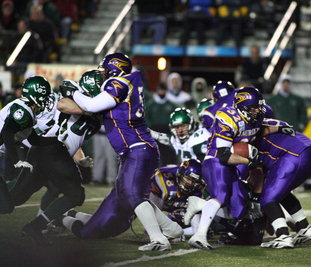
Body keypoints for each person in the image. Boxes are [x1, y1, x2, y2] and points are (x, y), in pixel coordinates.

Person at [57, 52, 183, 251]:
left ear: (114, 68)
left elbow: (89, 105)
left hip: (137, 150)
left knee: (133, 195)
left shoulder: (119, 83)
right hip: (139, 149)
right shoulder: (129, 84)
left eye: (106, 69)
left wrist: (72, 91)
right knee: (125, 198)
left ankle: (159, 238)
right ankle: (172, 229)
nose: (104, 74)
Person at [1, 72, 101, 244]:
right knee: (75, 194)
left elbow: (72, 136)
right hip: (50, 152)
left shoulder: (98, 106)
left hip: (49, 149)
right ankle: (38, 226)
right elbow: (63, 104)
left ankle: (39, 226)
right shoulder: (76, 95)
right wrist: (89, 109)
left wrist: (80, 157)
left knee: (15, 199)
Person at [188, 87, 266, 249]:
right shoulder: (227, 117)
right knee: (221, 194)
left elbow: (267, 126)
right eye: (253, 108)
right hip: (216, 159)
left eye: (258, 107)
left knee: (238, 209)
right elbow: (224, 155)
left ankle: (201, 205)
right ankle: (199, 235)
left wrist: (281, 128)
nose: (257, 111)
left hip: (235, 164)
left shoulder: (257, 118)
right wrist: (249, 161)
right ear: (243, 108)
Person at [256, 125, 311, 248]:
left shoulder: (251, 129)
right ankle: (304, 228)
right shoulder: (272, 124)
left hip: (293, 155)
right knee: (281, 192)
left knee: (268, 197)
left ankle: (283, 236)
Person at [0, 76, 52, 215]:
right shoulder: (22, 111)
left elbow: (35, 140)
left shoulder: (28, 111)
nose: (46, 100)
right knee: (5, 205)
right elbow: (6, 132)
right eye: (44, 96)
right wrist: (16, 160)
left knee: (5, 205)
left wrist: (59, 144)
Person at [149, 159, 205, 235]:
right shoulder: (163, 176)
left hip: (180, 205)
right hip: (161, 202)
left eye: (194, 181)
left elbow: (196, 213)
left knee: (199, 225)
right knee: (150, 216)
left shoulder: (199, 186)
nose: (190, 183)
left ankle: (175, 224)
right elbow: (152, 207)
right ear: (180, 174)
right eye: (188, 179)